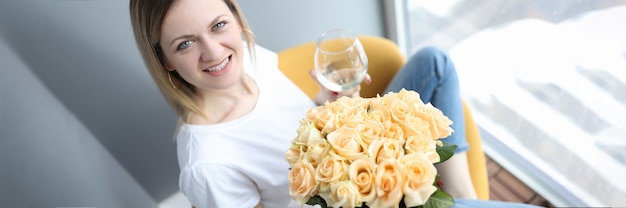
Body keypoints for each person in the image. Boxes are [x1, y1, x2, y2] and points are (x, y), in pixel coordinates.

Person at [129, 0, 543, 207]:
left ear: (236, 19)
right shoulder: (207, 165)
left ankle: (460, 191)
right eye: (185, 44)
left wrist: (330, 103)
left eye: (219, 25)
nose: (214, 52)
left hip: (357, 158)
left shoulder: (252, 59)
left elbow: (297, 124)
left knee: (433, 63)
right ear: (164, 59)